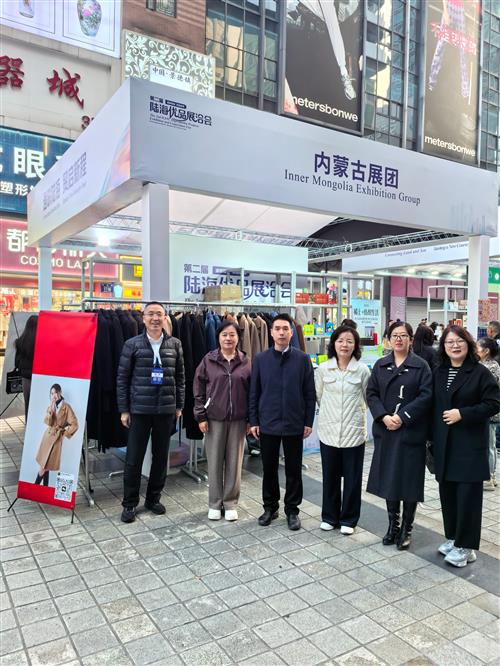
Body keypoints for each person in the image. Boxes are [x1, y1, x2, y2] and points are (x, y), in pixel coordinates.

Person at [431, 326, 500, 567]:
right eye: (449, 342)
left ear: (468, 344)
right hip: (444, 445)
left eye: (459, 341)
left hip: (469, 446)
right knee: (448, 494)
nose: (455, 345)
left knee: (467, 498)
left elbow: (494, 403)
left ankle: (466, 547)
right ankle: (453, 538)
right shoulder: (439, 372)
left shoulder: (480, 372)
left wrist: (463, 413)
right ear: (443, 346)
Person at [117, 301, 185, 523]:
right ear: (143, 318)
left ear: (165, 318)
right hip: (139, 410)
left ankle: (153, 499)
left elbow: (181, 378)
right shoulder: (132, 345)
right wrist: (124, 409)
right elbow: (122, 379)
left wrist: (179, 405)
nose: (155, 318)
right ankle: (129, 503)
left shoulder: (175, 344)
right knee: (133, 459)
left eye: (159, 314)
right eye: (151, 314)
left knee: (160, 458)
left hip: (165, 410)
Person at [367, 321, 432, 550]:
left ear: (411, 339)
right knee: (389, 478)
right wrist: (383, 416)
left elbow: (426, 396)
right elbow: (371, 393)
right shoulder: (381, 364)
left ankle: (407, 528)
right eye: (394, 335)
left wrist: (403, 417)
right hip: (386, 431)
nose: (398, 339)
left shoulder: (421, 366)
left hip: (411, 432)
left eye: (403, 335)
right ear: (388, 339)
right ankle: (392, 526)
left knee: (410, 481)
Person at [249, 313, 316, 531]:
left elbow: (309, 393)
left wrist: (308, 421)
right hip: (268, 422)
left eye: (285, 329)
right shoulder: (261, 359)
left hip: (294, 423)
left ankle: (292, 510)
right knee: (268, 468)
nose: (281, 332)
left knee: (293, 470)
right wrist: (254, 420)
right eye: (277, 328)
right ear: (271, 332)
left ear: (291, 332)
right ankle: (270, 507)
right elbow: (254, 392)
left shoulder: (302, 359)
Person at [193, 321, 251, 521]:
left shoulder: (246, 361)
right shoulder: (208, 360)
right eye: (224, 334)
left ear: (238, 338)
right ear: (218, 337)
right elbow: (198, 390)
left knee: (235, 463)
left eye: (232, 335)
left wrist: (251, 419)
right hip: (213, 419)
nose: (228, 338)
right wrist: (200, 415)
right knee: (215, 462)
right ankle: (215, 503)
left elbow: (253, 392)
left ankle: (231, 503)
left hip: (238, 419)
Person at [315, 325, 370, 535]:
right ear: (333, 344)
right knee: (330, 476)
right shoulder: (323, 369)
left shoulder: (362, 370)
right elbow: (319, 396)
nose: (344, 345)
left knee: (352, 479)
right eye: (340, 340)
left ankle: (349, 519)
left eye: (349, 341)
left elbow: (367, 398)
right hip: (328, 432)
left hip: (353, 433)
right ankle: (329, 517)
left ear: (355, 345)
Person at [35, 383, 78, 486]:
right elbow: (48, 422)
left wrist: (65, 434)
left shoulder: (67, 407)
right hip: (47, 436)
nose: (54, 395)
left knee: (44, 466)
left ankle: (34, 487)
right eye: (52, 393)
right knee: (45, 465)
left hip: (57, 439)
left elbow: (75, 424)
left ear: (60, 392)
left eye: (55, 393)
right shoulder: (51, 405)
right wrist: (51, 409)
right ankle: (44, 489)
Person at [477, 337, 500, 490]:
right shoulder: (486, 365)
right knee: (489, 444)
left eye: (477, 347)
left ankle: (489, 477)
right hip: (486, 412)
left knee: (489, 445)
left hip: (490, 413)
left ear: (486, 351)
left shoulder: (490, 367)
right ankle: (490, 475)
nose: (475, 350)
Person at [14, 314, 38, 419]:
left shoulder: (20, 341)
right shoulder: (42, 341)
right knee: (39, 402)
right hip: (39, 377)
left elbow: (16, 362)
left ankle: (28, 424)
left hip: (26, 378)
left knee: (28, 403)